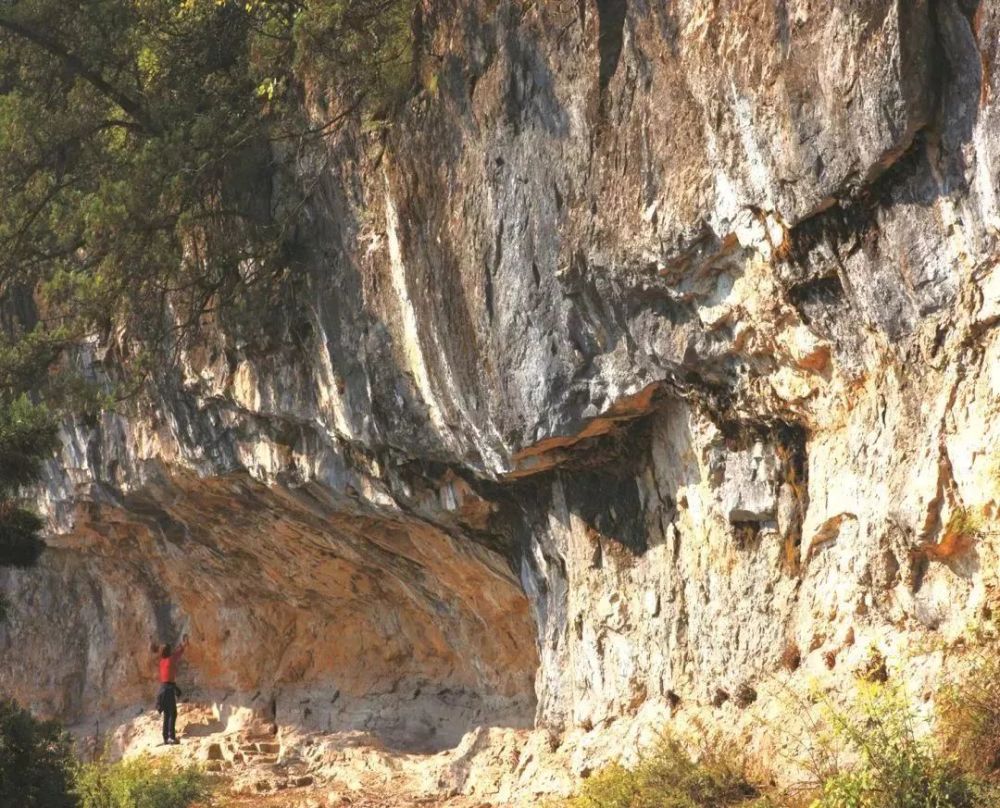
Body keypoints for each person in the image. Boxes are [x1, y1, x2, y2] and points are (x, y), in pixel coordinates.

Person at [153, 634, 189, 745]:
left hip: (162, 689)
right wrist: (184, 643)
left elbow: (174, 653)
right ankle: (171, 737)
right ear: (169, 652)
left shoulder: (162, 661)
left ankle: (165, 738)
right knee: (172, 713)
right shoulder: (170, 659)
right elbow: (179, 652)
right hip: (168, 690)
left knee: (167, 714)